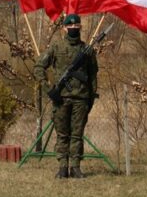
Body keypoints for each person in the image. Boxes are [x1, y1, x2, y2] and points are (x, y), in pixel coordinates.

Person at [33, 13, 98, 179]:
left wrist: (90, 99)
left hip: (81, 99)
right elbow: (39, 66)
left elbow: (92, 76)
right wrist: (48, 88)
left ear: (80, 28)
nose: (74, 29)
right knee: (62, 134)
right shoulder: (56, 47)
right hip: (61, 98)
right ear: (64, 28)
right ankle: (62, 167)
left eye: (77, 27)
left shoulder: (87, 50)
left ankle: (75, 167)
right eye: (70, 27)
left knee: (77, 134)